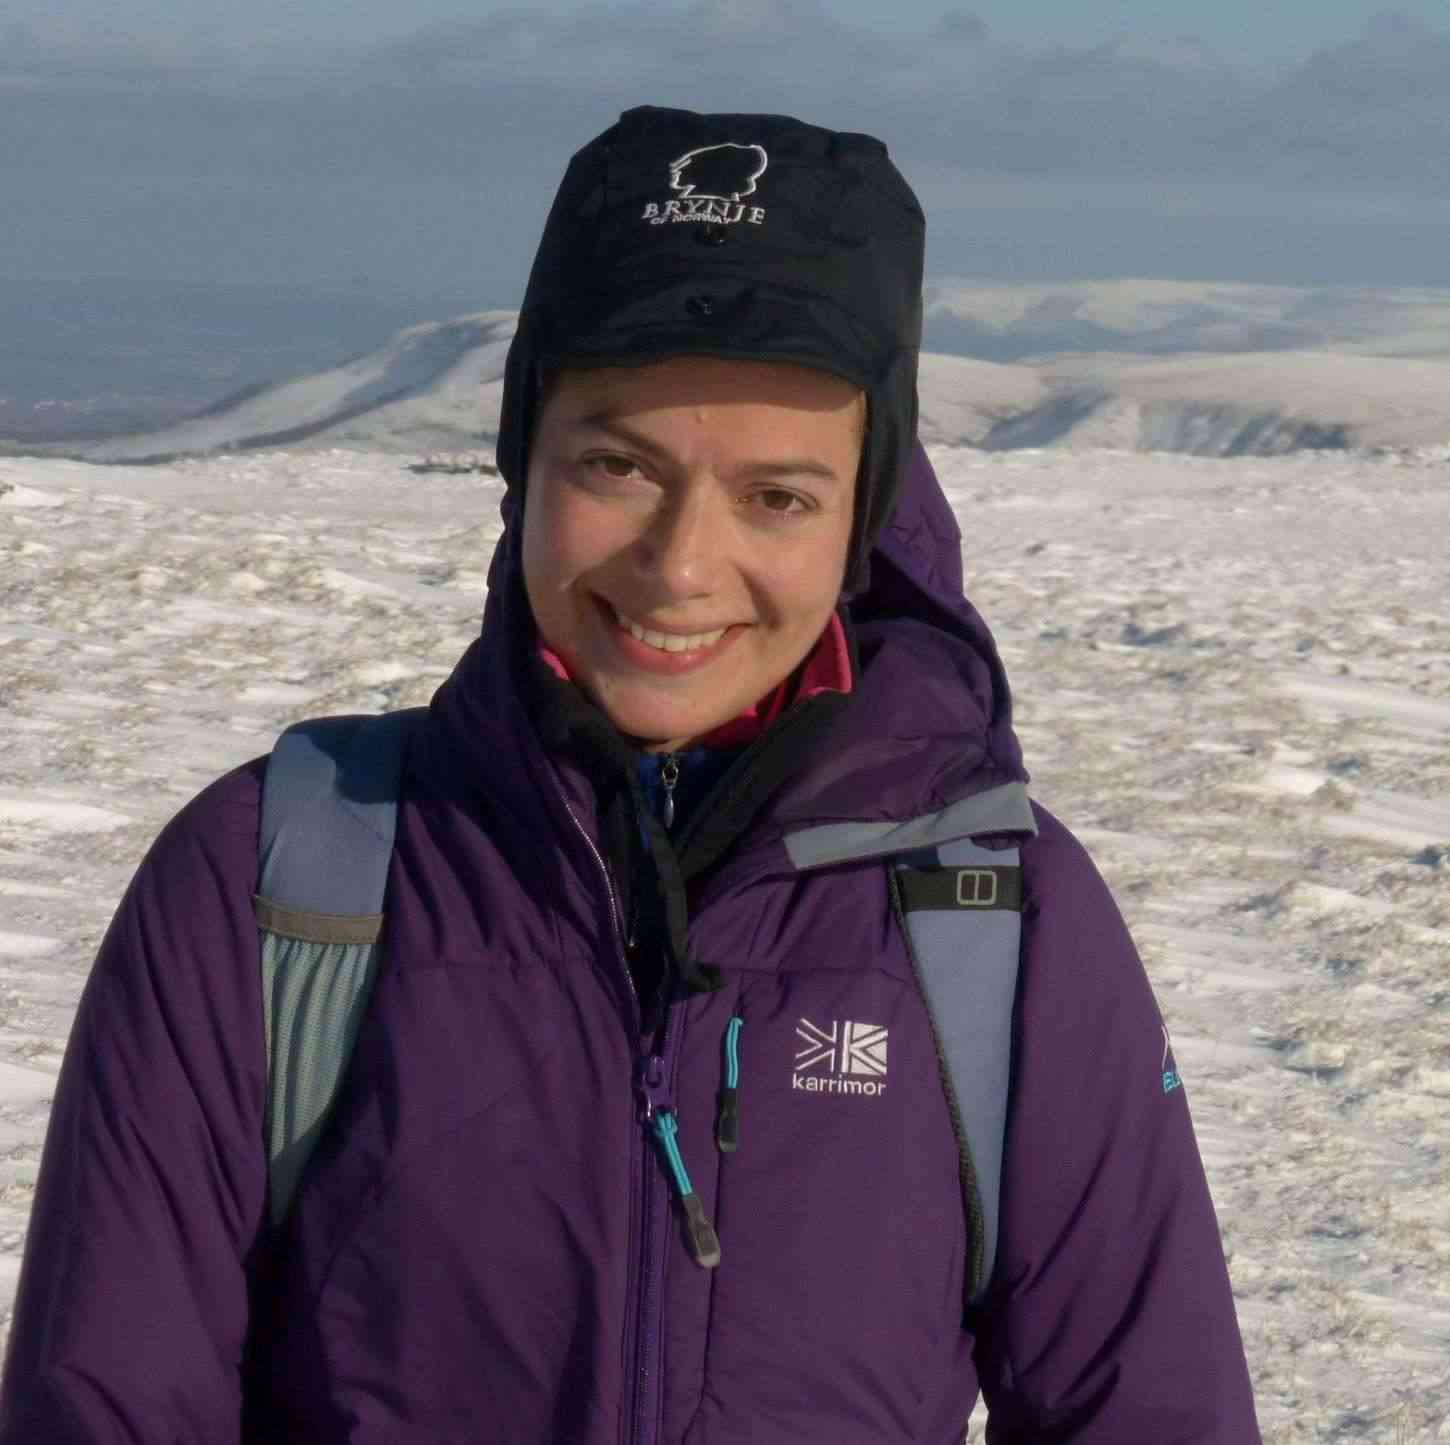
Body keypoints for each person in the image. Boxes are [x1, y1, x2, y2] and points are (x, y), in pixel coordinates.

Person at [0, 106, 1261, 1442]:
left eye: (776, 495)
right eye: (615, 466)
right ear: (522, 463)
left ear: (861, 519)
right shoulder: (272, 882)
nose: (676, 567)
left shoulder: (995, 919)